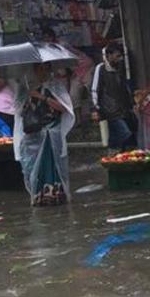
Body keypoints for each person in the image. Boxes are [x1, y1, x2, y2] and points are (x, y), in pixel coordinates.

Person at [13, 63, 74, 206]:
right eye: (40, 69)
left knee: (54, 165)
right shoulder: (24, 87)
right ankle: (38, 196)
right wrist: (28, 98)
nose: (44, 72)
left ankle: (56, 195)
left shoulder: (55, 86)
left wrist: (41, 97)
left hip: (52, 132)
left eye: (46, 69)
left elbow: (63, 108)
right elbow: (18, 110)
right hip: (33, 135)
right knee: (33, 167)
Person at [41, 27, 94, 128]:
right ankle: (78, 120)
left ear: (52, 37)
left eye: (48, 37)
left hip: (86, 67)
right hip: (75, 72)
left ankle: (95, 115)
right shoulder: (49, 48)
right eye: (44, 38)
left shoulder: (61, 45)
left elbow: (64, 64)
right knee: (73, 95)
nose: (46, 40)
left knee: (91, 89)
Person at [91, 43, 136, 151]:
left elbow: (124, 88)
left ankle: (116, 153)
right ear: (109, 55)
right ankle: (112, 148)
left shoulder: (119, 68)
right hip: (110, 109)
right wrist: (95, 108)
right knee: (124, 133)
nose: (120, 59)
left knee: (123, 135)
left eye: (120, 56)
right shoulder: (101, 69)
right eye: (117, 56)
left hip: (123, 108)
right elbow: (95, 90)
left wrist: (132, 104)